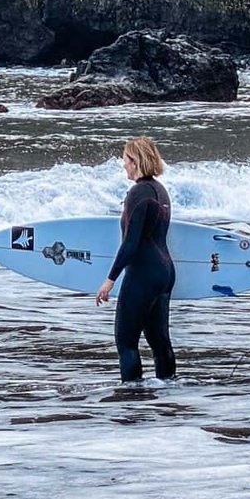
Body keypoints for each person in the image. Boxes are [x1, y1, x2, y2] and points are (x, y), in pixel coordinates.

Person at [95, 136, 176, 383]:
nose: (124, 166)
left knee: (126, 341)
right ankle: (168, 390)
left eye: (125, 161)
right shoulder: (161, 191)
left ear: (135, 161)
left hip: (143, 273)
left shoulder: (138, 193)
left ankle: (132, 399)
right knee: (159, 340)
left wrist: (109, 280)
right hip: (165, 273)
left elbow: (130, 244)